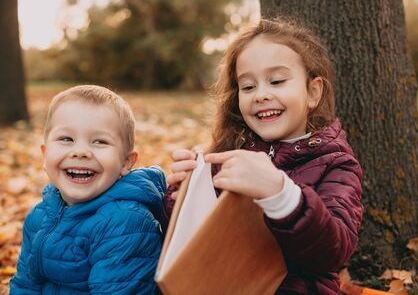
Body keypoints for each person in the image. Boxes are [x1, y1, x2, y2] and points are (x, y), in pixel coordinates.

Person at [164, 19, 363, 294]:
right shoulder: (229, 155)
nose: (261, 95)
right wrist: (181, 194)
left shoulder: (335, 163)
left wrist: (281, 194)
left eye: (277, 81)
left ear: (313, 92)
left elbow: (333, 249)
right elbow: (198, 241)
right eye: (248, 87)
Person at [10, 85, 165, 294]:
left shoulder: (125, 222)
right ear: (45, 155)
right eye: (66, 139)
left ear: (126, 163)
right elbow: (25, 284)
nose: (81, 152)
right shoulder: (40, 216)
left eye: (100, 141)